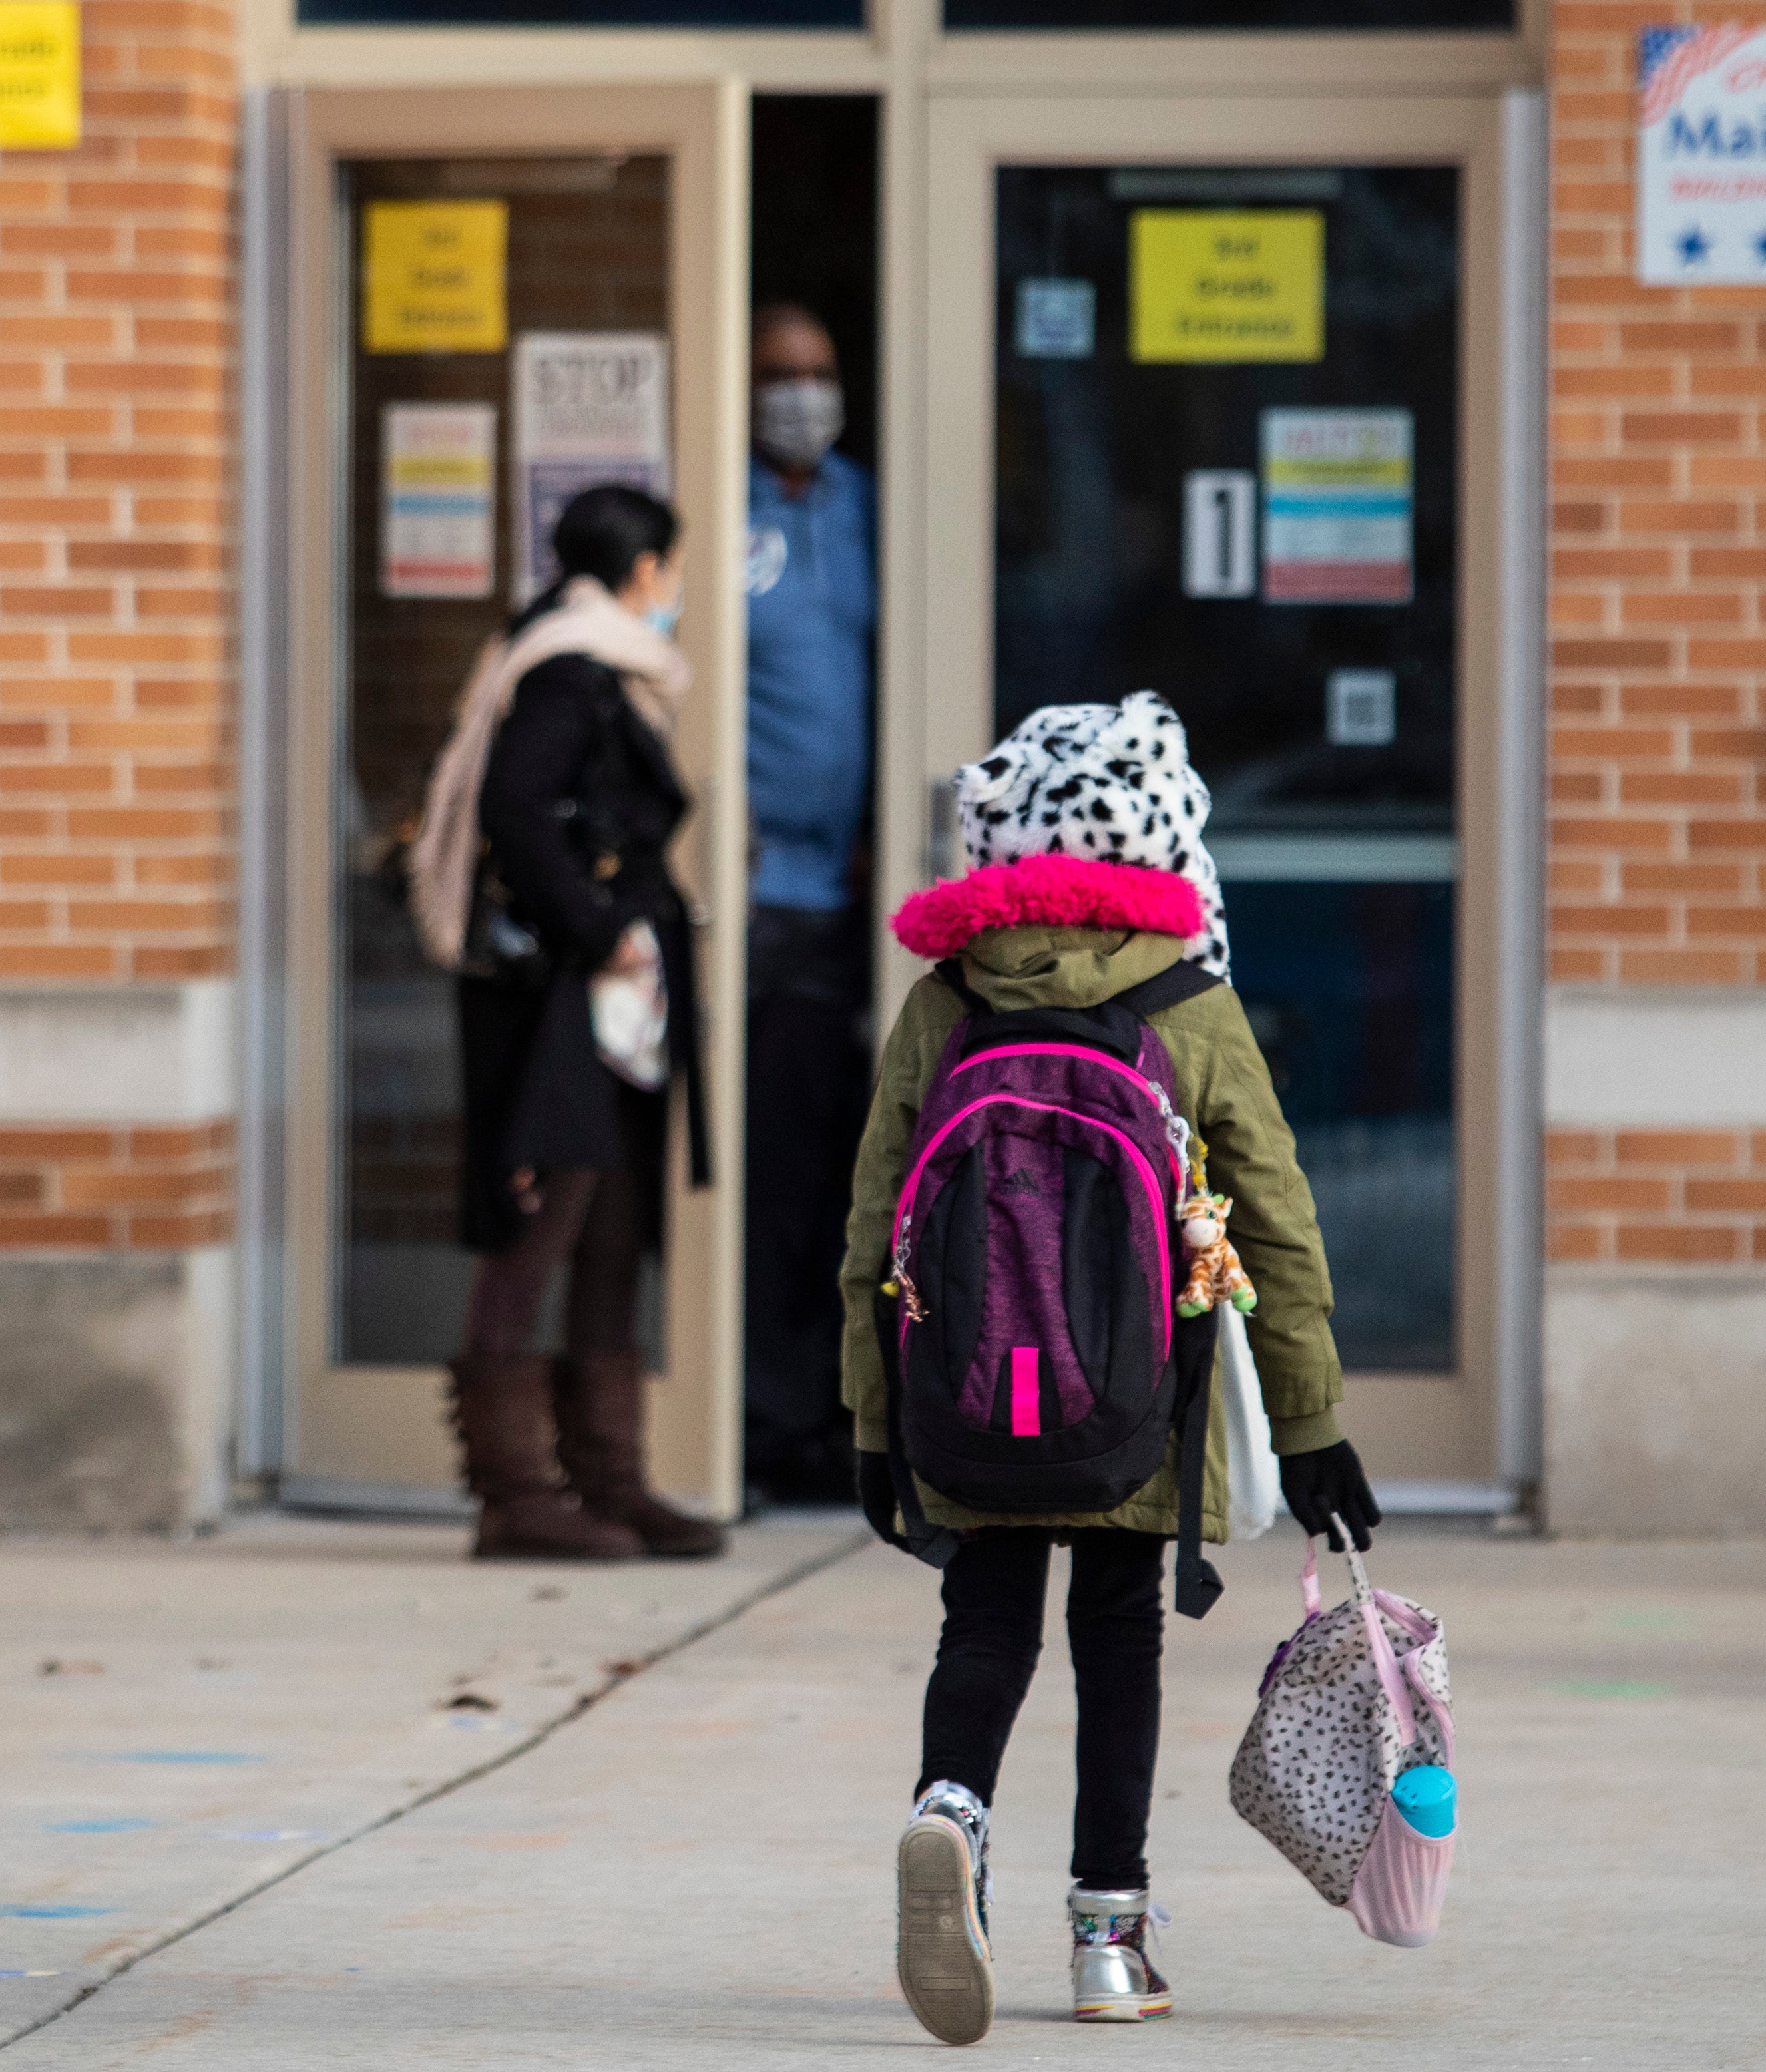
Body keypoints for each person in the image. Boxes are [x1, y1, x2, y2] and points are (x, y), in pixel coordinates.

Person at [839, 692, 1377, 2039]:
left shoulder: (948, 998)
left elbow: (871, 1224)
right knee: (1117, 1636)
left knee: (986, 1621)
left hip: (966, 1393)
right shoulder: (1186, 996)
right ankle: (1108, 1944)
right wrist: (1310, 1425)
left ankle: (949, 1813)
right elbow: (1277, 1218)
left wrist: (869, 1417)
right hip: (1144, 1397)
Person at [409, 487, 724, 1563]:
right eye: (670, 571)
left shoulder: (584, 660)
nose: (673, 592)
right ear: (644, 573)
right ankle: (512, 1492)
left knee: (612, 1225)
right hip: (559, 999)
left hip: (608, 998)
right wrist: (600, 932)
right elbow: (515, 813)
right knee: (542, 1220)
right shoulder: (569, 668)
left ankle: (609, 1480)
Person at [744, 302, 880, 1503]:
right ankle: (767, 1420)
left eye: (818, 370)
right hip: (756, 896)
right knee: (775, 1177)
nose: (801, 392)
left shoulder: (866, 505)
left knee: (859, 1173)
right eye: (779, 374)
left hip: (862, 896)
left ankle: (843, 1416)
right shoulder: (721, 511)